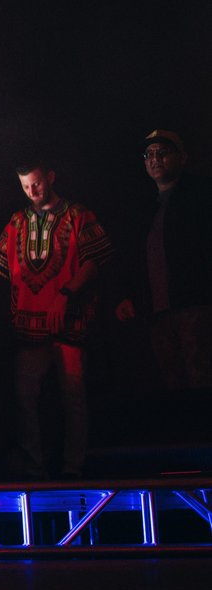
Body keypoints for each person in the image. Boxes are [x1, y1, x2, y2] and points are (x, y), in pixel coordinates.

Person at [0, 160, 112, 479]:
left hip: (69, 322)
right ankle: (35, 468)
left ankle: (73, 468)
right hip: (28, 326)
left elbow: (94, 261)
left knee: (74, 398)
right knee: (25, 397)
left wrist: (66, 294)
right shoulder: (18, 222)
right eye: (24, 186)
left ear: (50, 177)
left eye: (35, 183)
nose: (31, 191)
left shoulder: (79, 215)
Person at [114, 130, 212, 403]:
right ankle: (183, 437)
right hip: (158, 308)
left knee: (200, 373)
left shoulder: (202, 195)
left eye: (163, 152)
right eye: (150, 154)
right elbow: (132, 255)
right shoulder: (145, 206)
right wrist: (127, 295)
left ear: (182, 158)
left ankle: (203, 438)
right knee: (171, 378)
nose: (155, 159)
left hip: (196, 303)